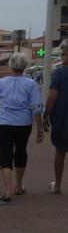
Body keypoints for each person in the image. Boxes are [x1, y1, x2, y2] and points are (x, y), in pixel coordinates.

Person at [0, 52, 45, 202]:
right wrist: (40, 128)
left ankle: (7, 190)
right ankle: (18, 185)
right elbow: (36, 107)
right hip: (23, 123)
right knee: (20, 151)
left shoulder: (0, 82)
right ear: (25, 66)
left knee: (4, 153)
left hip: (3, 122)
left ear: (11, 65)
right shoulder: (31, 83)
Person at [46, 44, 68, 193]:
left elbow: (53, 96)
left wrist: (46, 113)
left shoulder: (59, 73)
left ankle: (58, 185)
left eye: (64, 54)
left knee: (60, 152)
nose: (62, 57)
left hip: (63, 117)